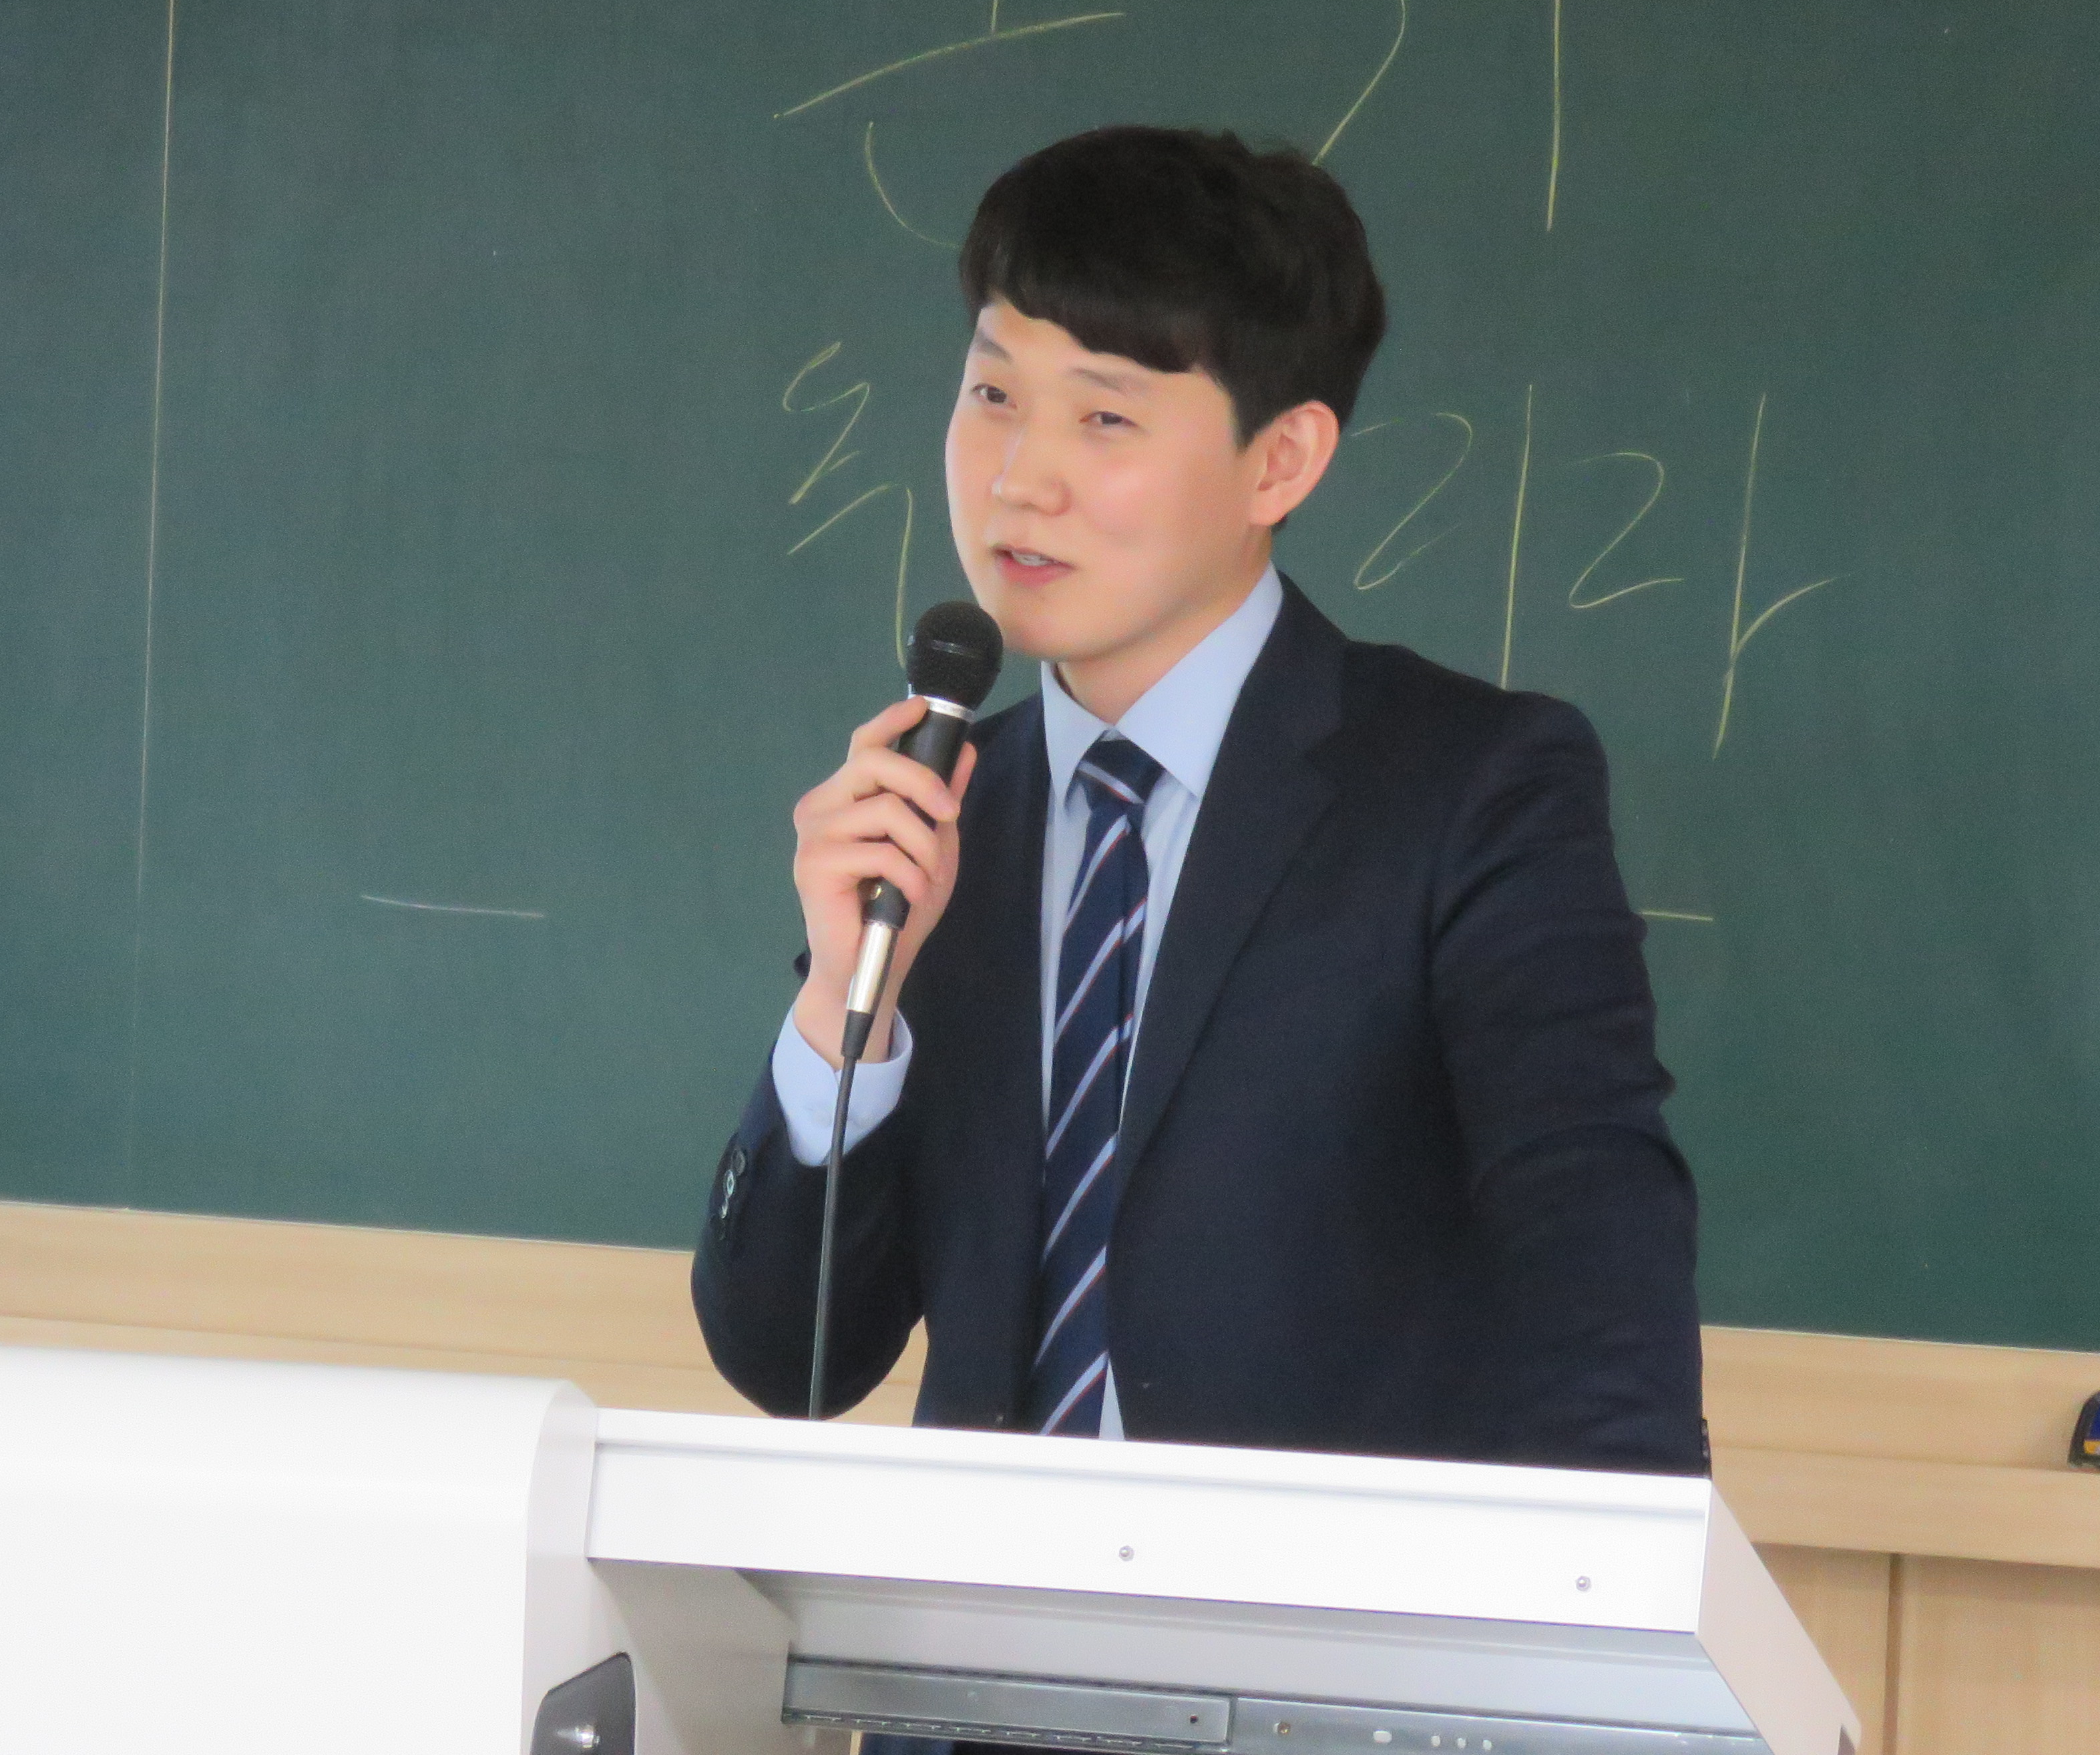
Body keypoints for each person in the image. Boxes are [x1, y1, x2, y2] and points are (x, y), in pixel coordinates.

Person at [694, 124, 1703, 1473]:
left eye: (1104, 417)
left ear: (1279, 462)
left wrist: (1621, 1576)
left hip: (1325, 1600)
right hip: (982, 1603)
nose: (1019, 477)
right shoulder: (944, 824)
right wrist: (843, 1004)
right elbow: (794, 1361)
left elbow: (1591, 1234)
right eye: (992, 394)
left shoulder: (1469, 787)